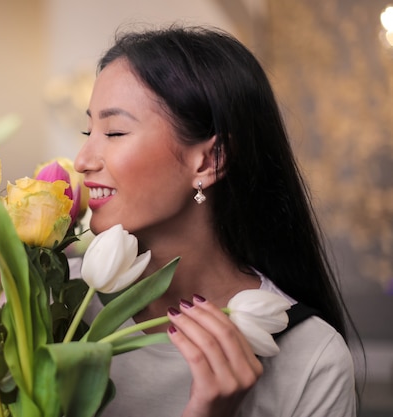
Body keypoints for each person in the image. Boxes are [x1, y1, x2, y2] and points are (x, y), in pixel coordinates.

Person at [73, 25, 358, 417]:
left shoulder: (311, 359)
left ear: (210, 160)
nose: (82, 160)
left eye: (115, 131)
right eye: (89, 130)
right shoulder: (53, 301)